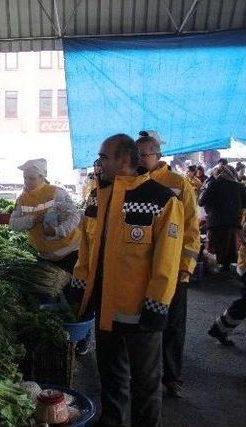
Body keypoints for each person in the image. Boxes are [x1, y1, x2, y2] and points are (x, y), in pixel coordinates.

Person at [69, 134, 184, 427]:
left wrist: (156, 309)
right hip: (105, 309)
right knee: (110, 377)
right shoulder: (99, 196)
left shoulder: (162, 199)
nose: (99, 162)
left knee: (145, 384)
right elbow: (87, 248)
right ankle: (112, 421)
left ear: (124, 160)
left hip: (140, 314)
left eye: (103, 157)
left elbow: (167, 262)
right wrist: (79, 291)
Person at [136, 132, 201, 399]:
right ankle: (141, 375)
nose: (139, 159)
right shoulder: (131, 182)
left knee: (173, 325)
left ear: (158, 156)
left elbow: (191, 229)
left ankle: (172, 377)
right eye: (136, 154)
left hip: (173, 270)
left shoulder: (178, 184)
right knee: (142, 322)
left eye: (144, 154)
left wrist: (186, 265)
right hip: (139, 270)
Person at [9, 158, 81, 273]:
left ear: (42, 177)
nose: (27, 181)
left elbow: (75, 216)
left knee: (73, 288)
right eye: (25, 178)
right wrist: (33, 219)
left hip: (70, 251)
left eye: (32, 178)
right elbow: (13, 224)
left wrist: (57, 231)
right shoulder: (21, 199)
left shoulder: (56, 193)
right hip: (46, 256)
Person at [198, 164, 246, 271]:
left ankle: (214, 270)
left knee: (215, 254)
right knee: (229, 253)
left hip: (215, 223)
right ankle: (226, 269)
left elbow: (201, 202)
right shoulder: (240, 186)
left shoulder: (213, 184)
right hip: (233, 223)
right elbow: (244, 204)